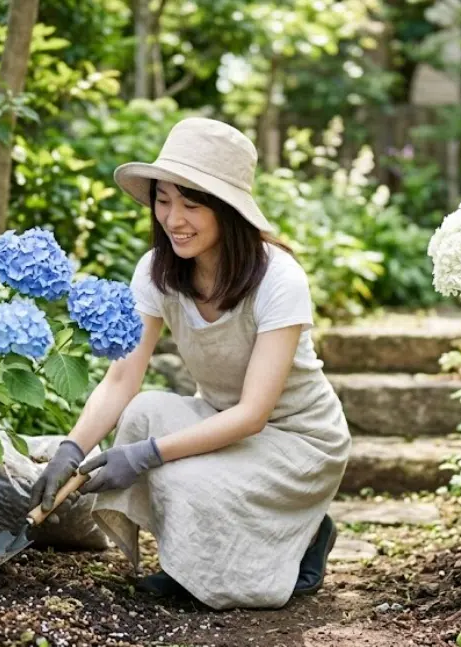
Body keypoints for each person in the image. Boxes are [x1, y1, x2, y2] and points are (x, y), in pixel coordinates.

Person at [31, 117, 351, 611]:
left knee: (177, 477)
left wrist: (143, 458)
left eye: (192, 203)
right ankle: (203, 557)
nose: (173, 218)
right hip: (224, 421)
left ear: (227, 209)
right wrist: (70, 450)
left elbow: (253, 415)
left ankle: (302, 536)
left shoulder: (278, 278)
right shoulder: (157, 273)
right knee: (142, 415)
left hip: (298, 441)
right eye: (163, 200)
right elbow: (122, 378)